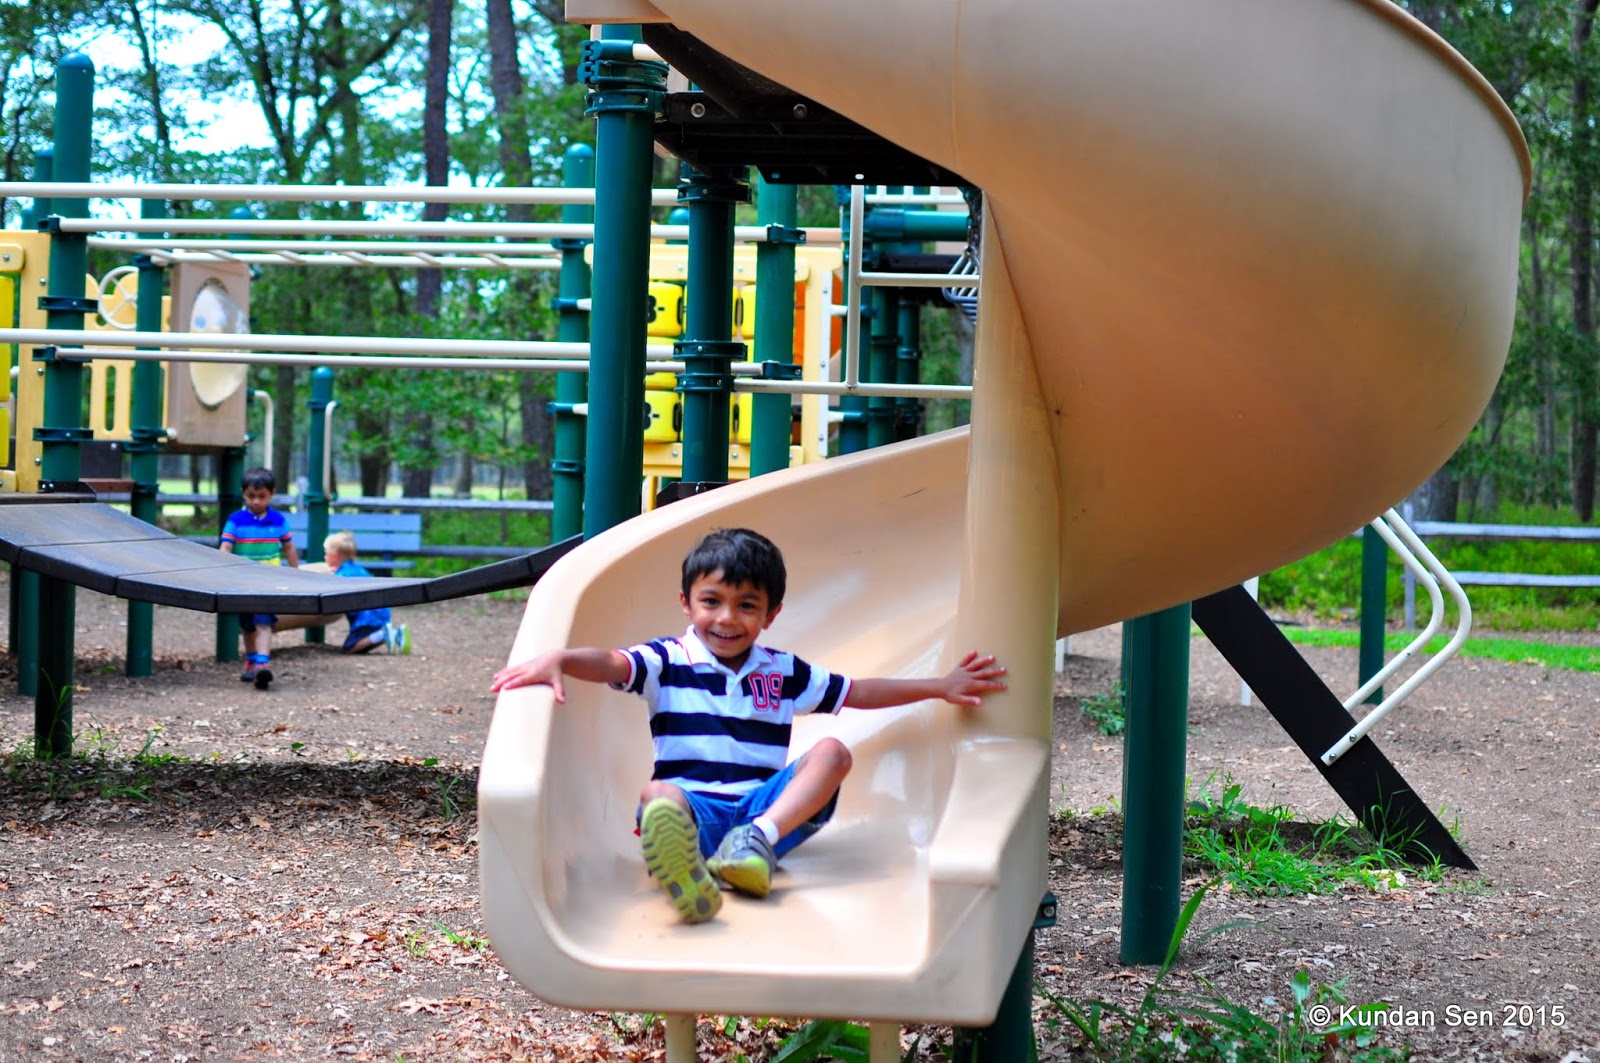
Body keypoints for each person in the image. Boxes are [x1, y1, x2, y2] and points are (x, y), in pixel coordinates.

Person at [489, 527, 1007, 925]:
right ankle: (688, 871)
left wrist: (940, 686)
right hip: (695, 812)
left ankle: (752, 847)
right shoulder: (666, 660)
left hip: (763, 811)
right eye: (711, 602)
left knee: (832, 751)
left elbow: (859, 691)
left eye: (747, 606)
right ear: (687, 603)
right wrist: (560, 658)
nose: (727, 618)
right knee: (658, 795)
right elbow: (610, 662)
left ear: (770, 615)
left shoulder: (781, 671)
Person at [218, 467, 299, 690]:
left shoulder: (278, 520)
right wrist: (221, 568)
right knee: (247, 625)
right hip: (243, 581)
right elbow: (226, 546)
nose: (256, 501)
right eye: (251, 496)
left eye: (261, 496)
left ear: (271, 494)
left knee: (264, 622)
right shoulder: (236, 520)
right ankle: (251, 659)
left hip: (268, 582)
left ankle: (263, 663)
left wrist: (296, 572)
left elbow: (289, 547)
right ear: (243, 494)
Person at [323, 530, 411, 655]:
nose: (325, 557)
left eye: (327, 553)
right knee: (364, 643)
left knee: (349, 648)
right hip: (380, 612)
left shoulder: (341, 576)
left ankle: (383, 634)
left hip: (366, 618)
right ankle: (395, 634)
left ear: (337, 556)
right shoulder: (357, 569)